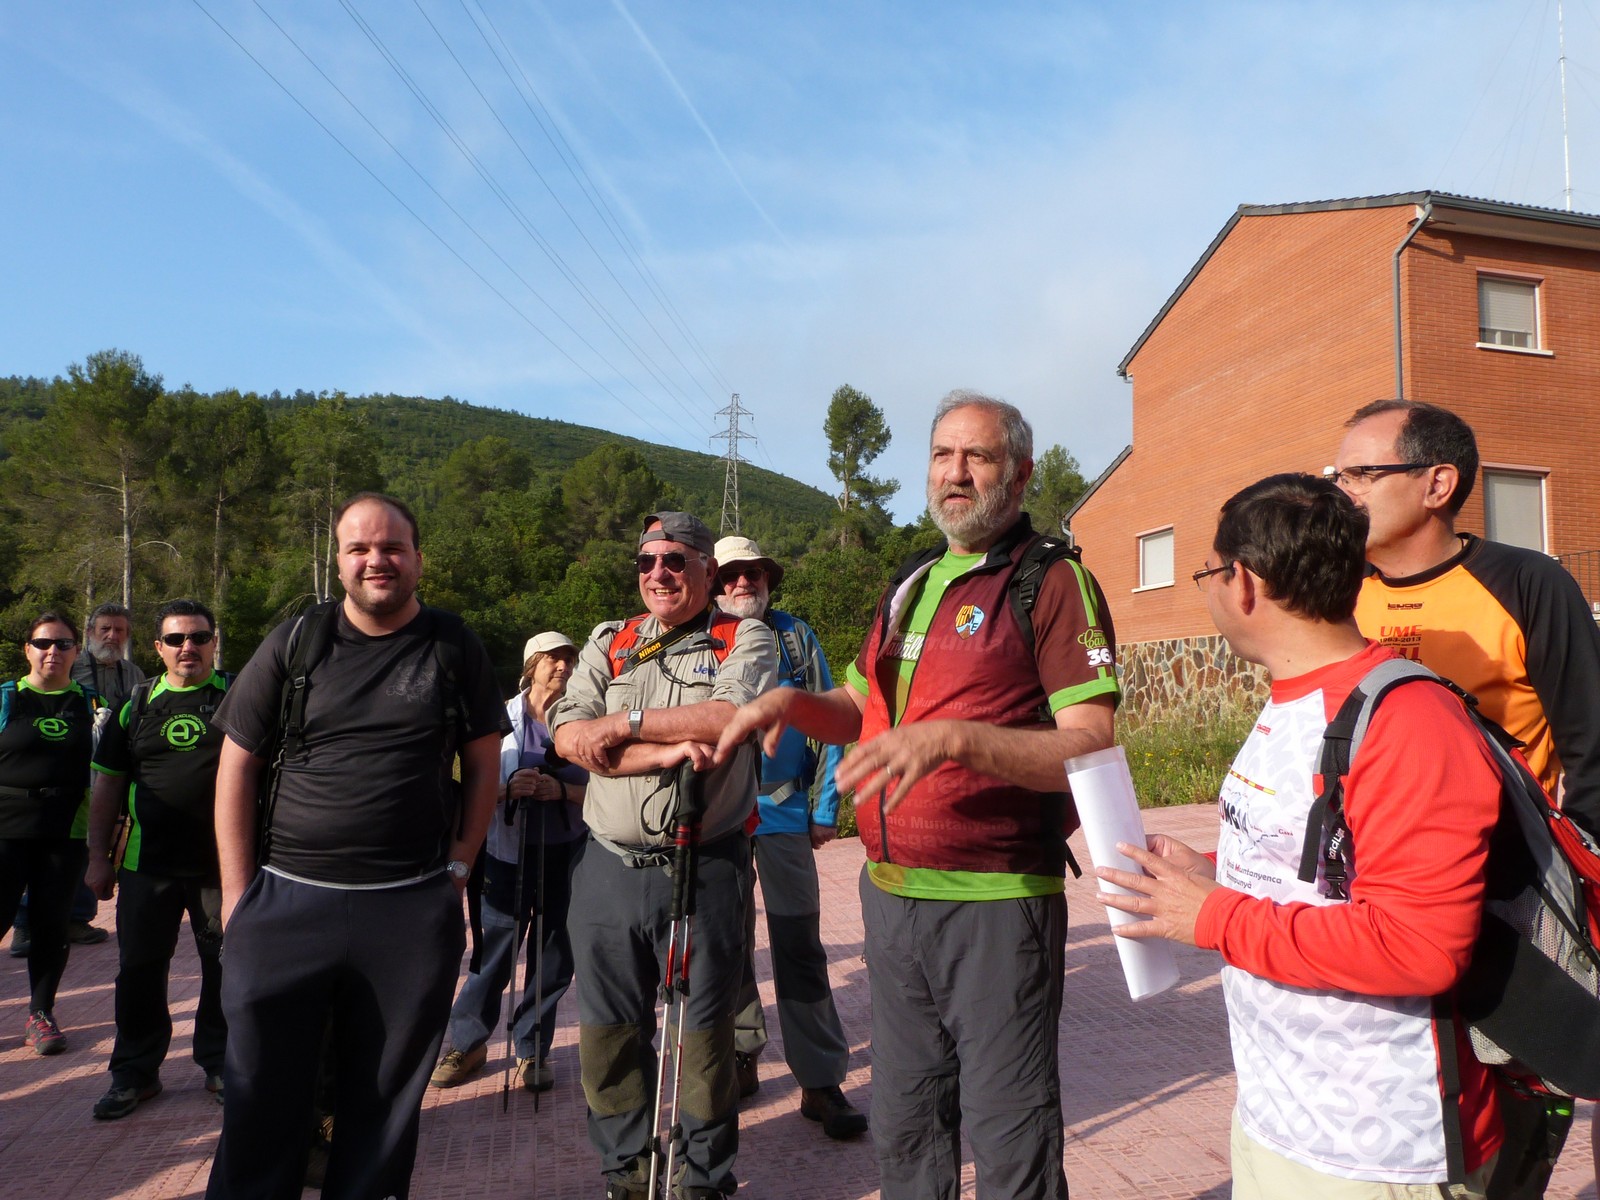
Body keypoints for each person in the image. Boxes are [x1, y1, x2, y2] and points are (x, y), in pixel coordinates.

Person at [716, 391, 1119, 1200]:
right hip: (892, 898)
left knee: (1010, 1139)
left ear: (1020, 473)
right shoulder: (912, 581)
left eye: (978, 456)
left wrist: (956, 738)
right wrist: (790, 702)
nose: (955, 473)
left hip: (997, 901)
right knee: (906, 1129)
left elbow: (1093, 746)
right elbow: (857, 707)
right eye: (942, 455)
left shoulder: (1051, 580)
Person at [1099, 472, 1505, 1199]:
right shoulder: (1292, 698)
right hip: (1278, 1114)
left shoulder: (1409, 722)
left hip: (1380, 1150)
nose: (1209, 590)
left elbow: (1419, 946)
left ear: (1244, 583)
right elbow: (1322, 868)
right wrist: (1213, 870)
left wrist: (1213, 917)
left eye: (1207, 574)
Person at [1331, 398, 1600, 1199]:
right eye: (1336, 474)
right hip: (1370, 916)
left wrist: (1577, 897)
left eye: (1361, 473)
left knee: (1504, 1136)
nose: (1342, 490)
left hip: (1505, 915)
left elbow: (1592, 748)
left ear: (1437, 483)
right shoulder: (1337, 593)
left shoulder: (1528, 584)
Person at [204, 492, 507, 1200]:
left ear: (418, 558)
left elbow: (484, 766)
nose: (377, 561)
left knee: (382, 1108)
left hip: (407, 910)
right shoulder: (296, 641)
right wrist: (241, 897)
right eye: (360, 549)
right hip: (287, 904)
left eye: (392, 547)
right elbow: (236, 767)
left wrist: (458, 868)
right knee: (260, 1101)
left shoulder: (452, 645)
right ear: (337, 560)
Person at [549, 511, 777, 1200]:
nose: (658, 573)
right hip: (608, 867)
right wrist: (667, 750)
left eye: (675, 560)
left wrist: (625, 725)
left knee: (704, 1039)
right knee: (609, 1034)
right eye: (647, 561)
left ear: (708, 569)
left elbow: (727, 718)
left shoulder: (745, 637)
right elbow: (569, 736)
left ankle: (702, 1177)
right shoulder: (609, 640)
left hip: (705, 866)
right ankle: (628, 1172)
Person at [711, 534, 866, 1141]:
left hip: (781, 814)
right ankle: (741, 1053)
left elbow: (831, 724)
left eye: (753, 573)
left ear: (768, 580)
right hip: (716, 817)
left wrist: (824, 808)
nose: (742, 583)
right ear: (712, 582)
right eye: (730, 574)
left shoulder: (796, 637)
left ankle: (820, 1081)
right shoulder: (695, 639)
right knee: (724, 943)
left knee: (799, 945)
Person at [85, 598, 230, 1120]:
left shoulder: (239, 698)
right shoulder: (137, 704)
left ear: (213, 642)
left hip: (222, 866)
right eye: (175, 639)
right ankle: (134, 1073)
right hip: (146, 866)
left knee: (225, 968)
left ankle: (222, 1064)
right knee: (140, 971)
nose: (188, 647)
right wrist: (97, 858)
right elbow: (107, 786)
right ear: (158, 647)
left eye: (198, 637)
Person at [432, 630, 589, 1093]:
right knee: (494, 952)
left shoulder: (584, 718)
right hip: (506, 856)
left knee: (553, 955)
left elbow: (608, 790)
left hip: (570, 855)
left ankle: (532, 1050)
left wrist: (561, 790)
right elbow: (469, 789)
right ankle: (468, 1044)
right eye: (553, 658)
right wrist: (507, 790)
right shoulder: (498, 718)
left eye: (568, 659)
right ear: (531, 665)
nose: (562, 666)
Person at [9, 600, 140, 956]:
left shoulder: (133, 674)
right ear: (90, 634)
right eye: (105, 629)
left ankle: (77, 917)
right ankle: (24, 923)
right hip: (54, 769)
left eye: (120, 630)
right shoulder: (70, 664)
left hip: (105, 770)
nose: (112, 636)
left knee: (87, 846)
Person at [0, 612, 102, 1053]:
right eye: (43, 643)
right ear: (27, 650)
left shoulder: (92, 705)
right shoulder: (6, 698)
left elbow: (110, 770)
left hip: (66, 830)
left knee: (51, 925)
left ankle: (40, 1014)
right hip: (6, 828)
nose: (52, 652)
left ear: (77, 651)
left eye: (63, 644)